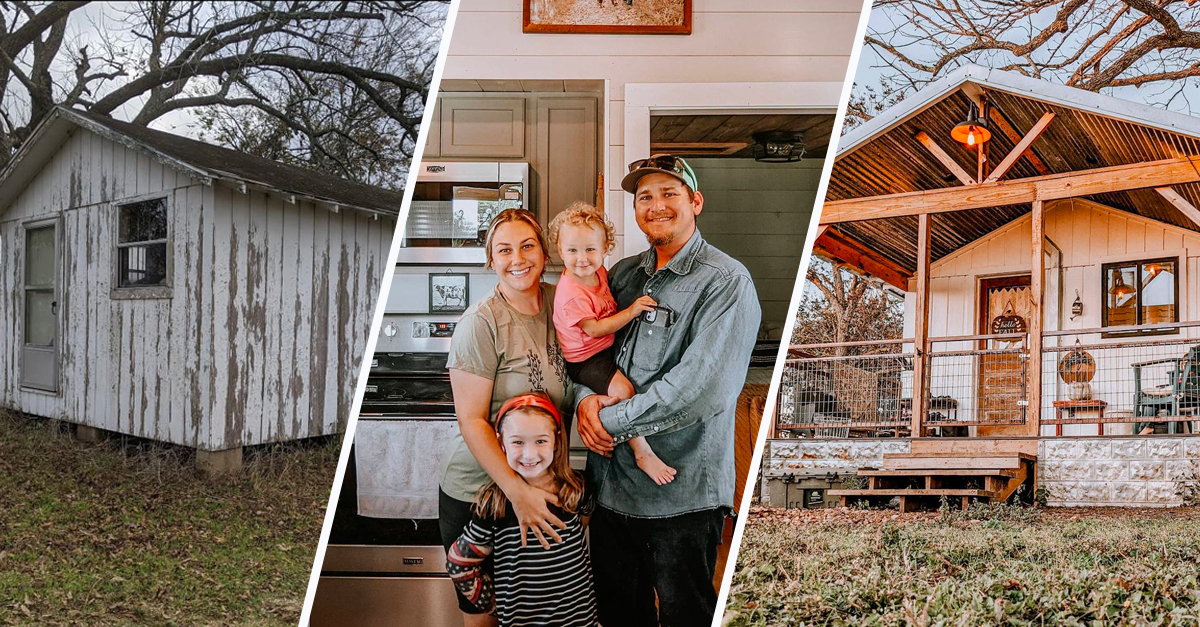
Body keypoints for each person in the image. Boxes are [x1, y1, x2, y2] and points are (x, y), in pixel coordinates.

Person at [575, 155, 761, 627]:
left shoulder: (725, 281)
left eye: (669, 194)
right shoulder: (620, 275)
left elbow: (703, 390)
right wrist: (583, 405)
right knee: (620, 616)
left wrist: (607, 421)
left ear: (696, 202)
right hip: (611, 489)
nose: (656, 205)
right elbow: (584, 352)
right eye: (645, 197)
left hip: (680, 496)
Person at [438, 209, 573, 627]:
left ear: (544, 251)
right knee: (485, 616)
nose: (518, 258)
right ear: (491, 261)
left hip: (540, 484)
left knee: (537, 610)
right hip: (481, 490)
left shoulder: (563, 302)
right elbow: (473, 421)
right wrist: (517, 493)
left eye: (527, 245)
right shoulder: (481, 323)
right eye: (505, 250)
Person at [547, 202, 675, 485]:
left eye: (590, 249)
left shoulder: (599, 272)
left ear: (606, 248)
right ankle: (641, 451)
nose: (582, 259)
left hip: (603, 349)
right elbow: (595, 329)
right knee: (624, 389)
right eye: (572, 250)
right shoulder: (571, 293)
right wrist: (631, 312)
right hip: (584, 360)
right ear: (560, 250)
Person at [446, 393, 598, 627]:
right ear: (501, 443)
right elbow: (459, 562)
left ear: (557, 441)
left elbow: (581, 532)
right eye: (518, 442)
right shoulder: (495, 505)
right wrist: (494, 606)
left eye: (540, 441)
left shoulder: (577, 491)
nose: (529, 454)